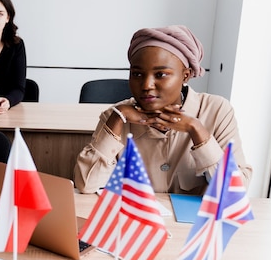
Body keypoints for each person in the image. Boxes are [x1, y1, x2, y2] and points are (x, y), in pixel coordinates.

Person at [74, 25, 252, 195]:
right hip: (135, 224)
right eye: (137, 74)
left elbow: (235, 192)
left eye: (160, 75)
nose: (146, 85)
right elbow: (87, 185)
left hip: (195, 225)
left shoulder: (217, 110)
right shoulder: (115, 116)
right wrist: (117, 119)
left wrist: (197, 130)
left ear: (186, 75)